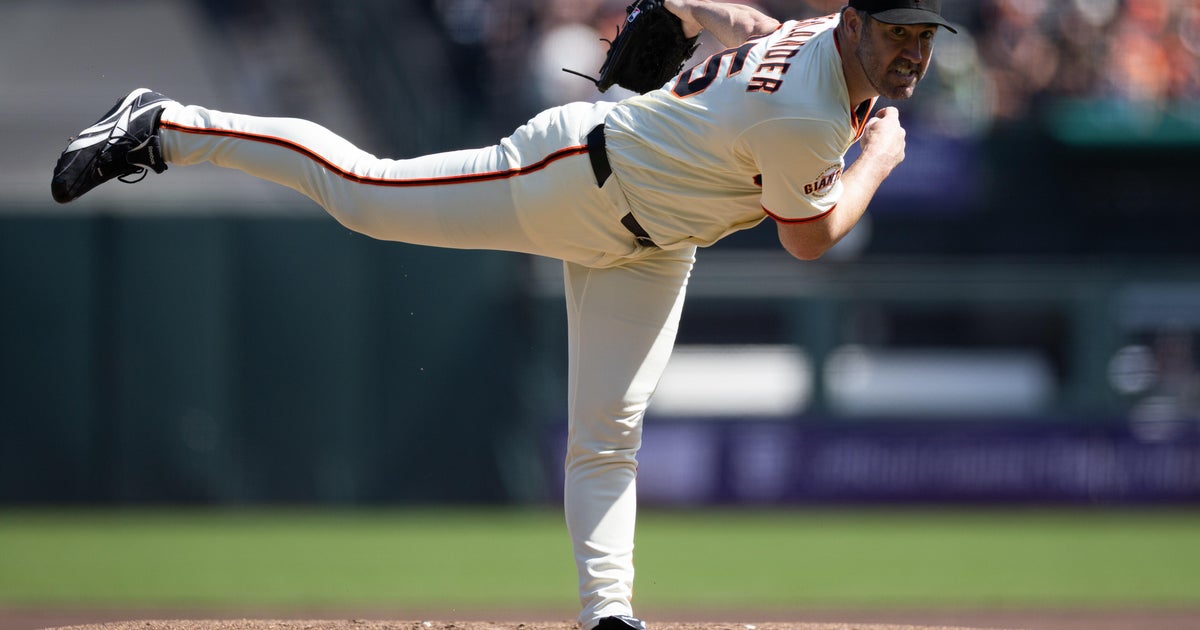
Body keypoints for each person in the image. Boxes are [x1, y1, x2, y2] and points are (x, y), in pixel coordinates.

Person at [50, 0, 956, 627]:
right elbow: (811, 237)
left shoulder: (818, 43)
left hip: (656, 240)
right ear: (853, 22)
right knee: (366, 191)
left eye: (925, 33)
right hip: (580, 177)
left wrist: (686, 12)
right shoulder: (810, 111)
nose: (914, 50)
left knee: (609, 432)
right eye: (898, 31)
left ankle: (607, 614)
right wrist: (879, 158)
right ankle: (167, 126)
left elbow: (746, 24)